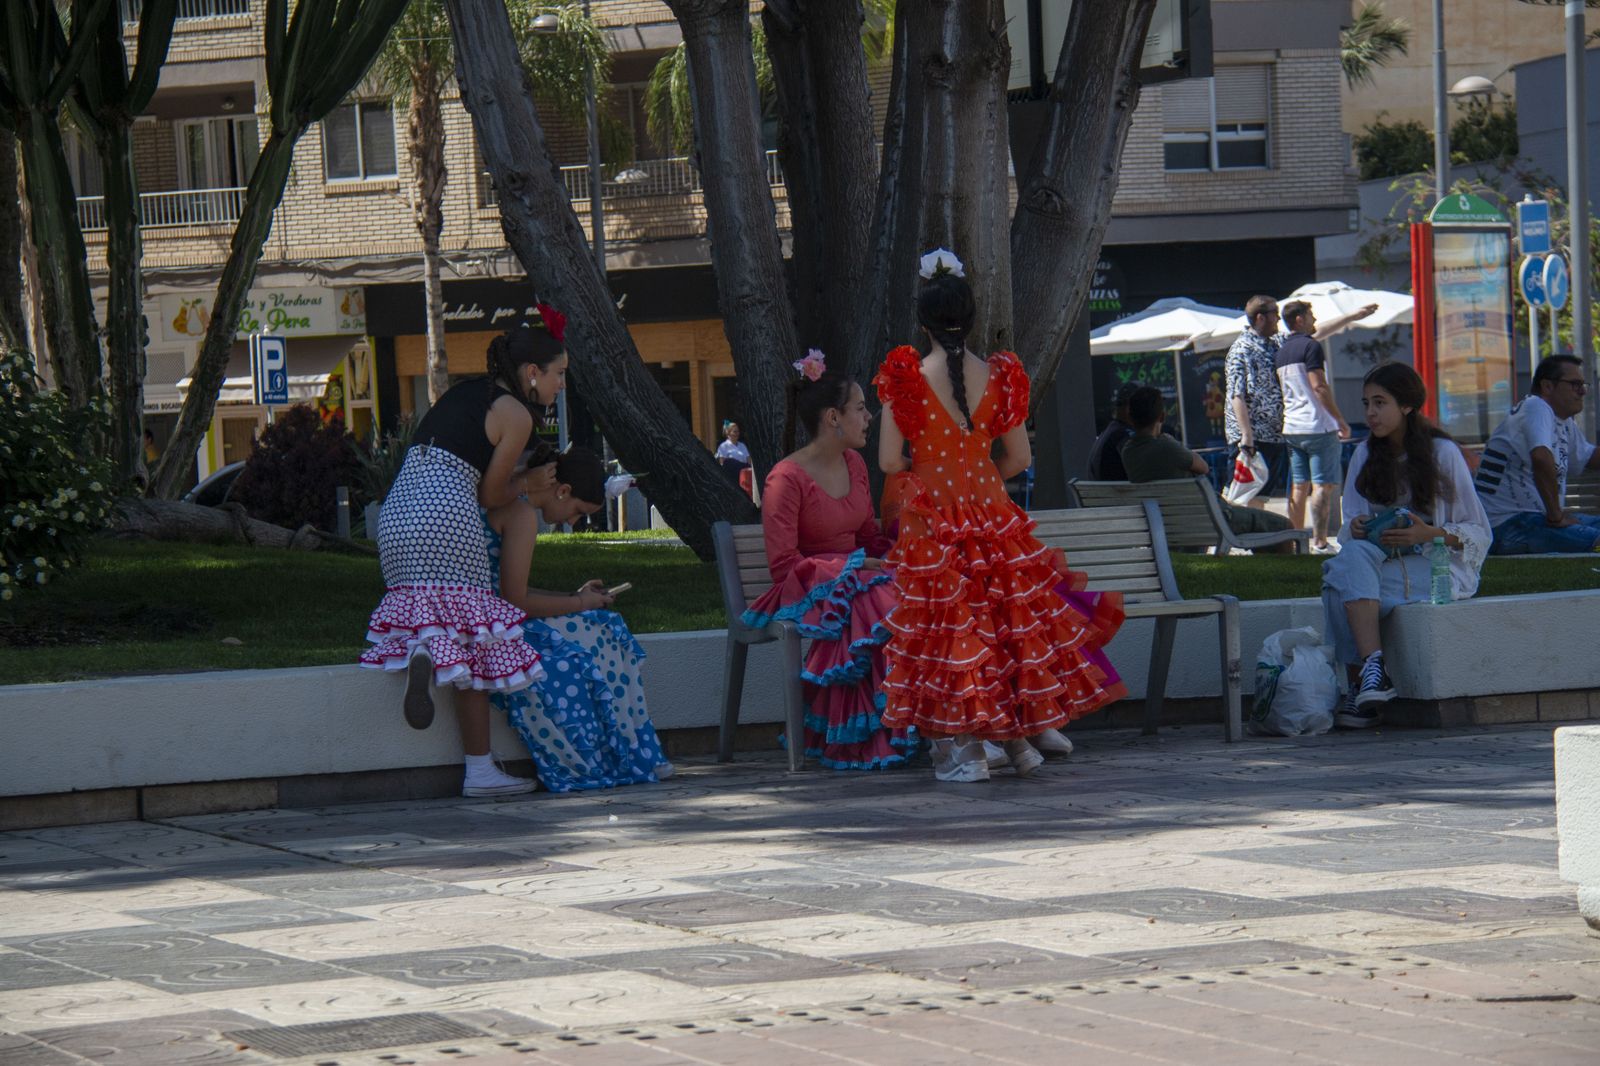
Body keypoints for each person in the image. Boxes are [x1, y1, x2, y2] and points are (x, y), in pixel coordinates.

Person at [876, 249, 1126, 783]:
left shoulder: (905, 378)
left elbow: (887, 461)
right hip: (994, 514)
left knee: (954, 630)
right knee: (1008, 623)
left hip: (934, 520)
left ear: (922, 321)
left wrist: (925, 469)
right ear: (970, 318)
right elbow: (1019, 458)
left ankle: (975, 741)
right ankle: (1021, 736)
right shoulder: (1002, 374)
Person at [360, 319, 566, 798]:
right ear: (532, 371)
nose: (560, 385)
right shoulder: (516, 414)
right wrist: (527, 486)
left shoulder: (464, 394)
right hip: (447, 516)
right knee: (476, 639)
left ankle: (423, 652)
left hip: (398, 513)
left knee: (433, 618)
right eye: (558, 374)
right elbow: (493, 495)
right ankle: (480, 770)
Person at [741, 353, 915, 770]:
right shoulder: (785, 478)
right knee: (879, 604)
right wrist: (852, 567)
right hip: (807, 588)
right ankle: (873, 731)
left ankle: (922, 723)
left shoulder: (855, 464)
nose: (869, 416)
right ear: (833, 417)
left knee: (919, 593)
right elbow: (783, 565)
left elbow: (867, 537)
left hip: (857, 581)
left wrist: (902, 549)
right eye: (860, 408)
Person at [485, 446, 672, 791]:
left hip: (490, 616)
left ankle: (631, 751)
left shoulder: (512, 507)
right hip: (495, 623)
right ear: (563, 490)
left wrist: (577, 599)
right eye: (577, 511)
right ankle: (629, 752)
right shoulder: (522, 514)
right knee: (608, 631)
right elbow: (514, 601)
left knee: (604, 625)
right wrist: (578, 603)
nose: (572, 521)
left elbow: (511, 591)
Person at [1322, 363, 1490, 728]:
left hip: (1435, 566)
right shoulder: (1365, 455)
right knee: (1349, 564)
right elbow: (1348, 529)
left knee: (1339, 583)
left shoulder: (1442, 453)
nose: (1370, 413)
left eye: (1380, 403)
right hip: (1378, 563)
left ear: (1408, 406)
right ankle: (1373, 676)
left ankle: (1359, 686)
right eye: (1367, 403)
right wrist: (1358, 525)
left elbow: (1477, 529)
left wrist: (1426, 534)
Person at [1226, 295, 1375, 511]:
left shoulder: (1275, 342)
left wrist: (1352, 316)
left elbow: (1314, 332)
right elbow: (1236, 394)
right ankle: (1246, 539)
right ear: (1260, 318)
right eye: (1274, 315)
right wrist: (1246, 437)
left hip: (1274, 433)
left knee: (1263, 494)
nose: (1279, 319)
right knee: (1246, 494)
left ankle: (1257, 540)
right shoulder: (1241, 349)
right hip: (1252, 437)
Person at [1119, 386, 1294, 547]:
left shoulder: (1128, 451)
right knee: (1285, 526)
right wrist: (1172, 442)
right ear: (1162, 417)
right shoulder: (1166, 446)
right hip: (1210, 518)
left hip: (1167, 524)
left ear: (1131, 418)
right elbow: (1203, 467)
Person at [1475, 355, 1600, 554]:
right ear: (1548, 387)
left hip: (1533, 519)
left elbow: (1587, 457)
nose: (1583, 391)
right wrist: (1556, 516)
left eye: (1583, 384)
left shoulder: (1562, 421)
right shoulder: (1536, 407)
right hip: (1506, 525)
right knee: (1595, 542)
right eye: (1575, 384)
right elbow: (1541, 458)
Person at [1276, 300, 1356, 553]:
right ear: (1299, 319)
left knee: (1299, 486)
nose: (1314, 319)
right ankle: (1320, 542)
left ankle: (1295, 541)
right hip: (1317, 426)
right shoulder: (1311, 346)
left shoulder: (1282, 351)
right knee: (1323, 485)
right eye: (1310, 315)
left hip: (1292, 426)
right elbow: (1318, 386)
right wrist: (1340, 420)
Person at [1086, 381, 1142, 481]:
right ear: (1130, 407)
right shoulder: (1124, 437)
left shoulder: (1109, 434)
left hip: (1108, 495)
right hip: (1123, 496)